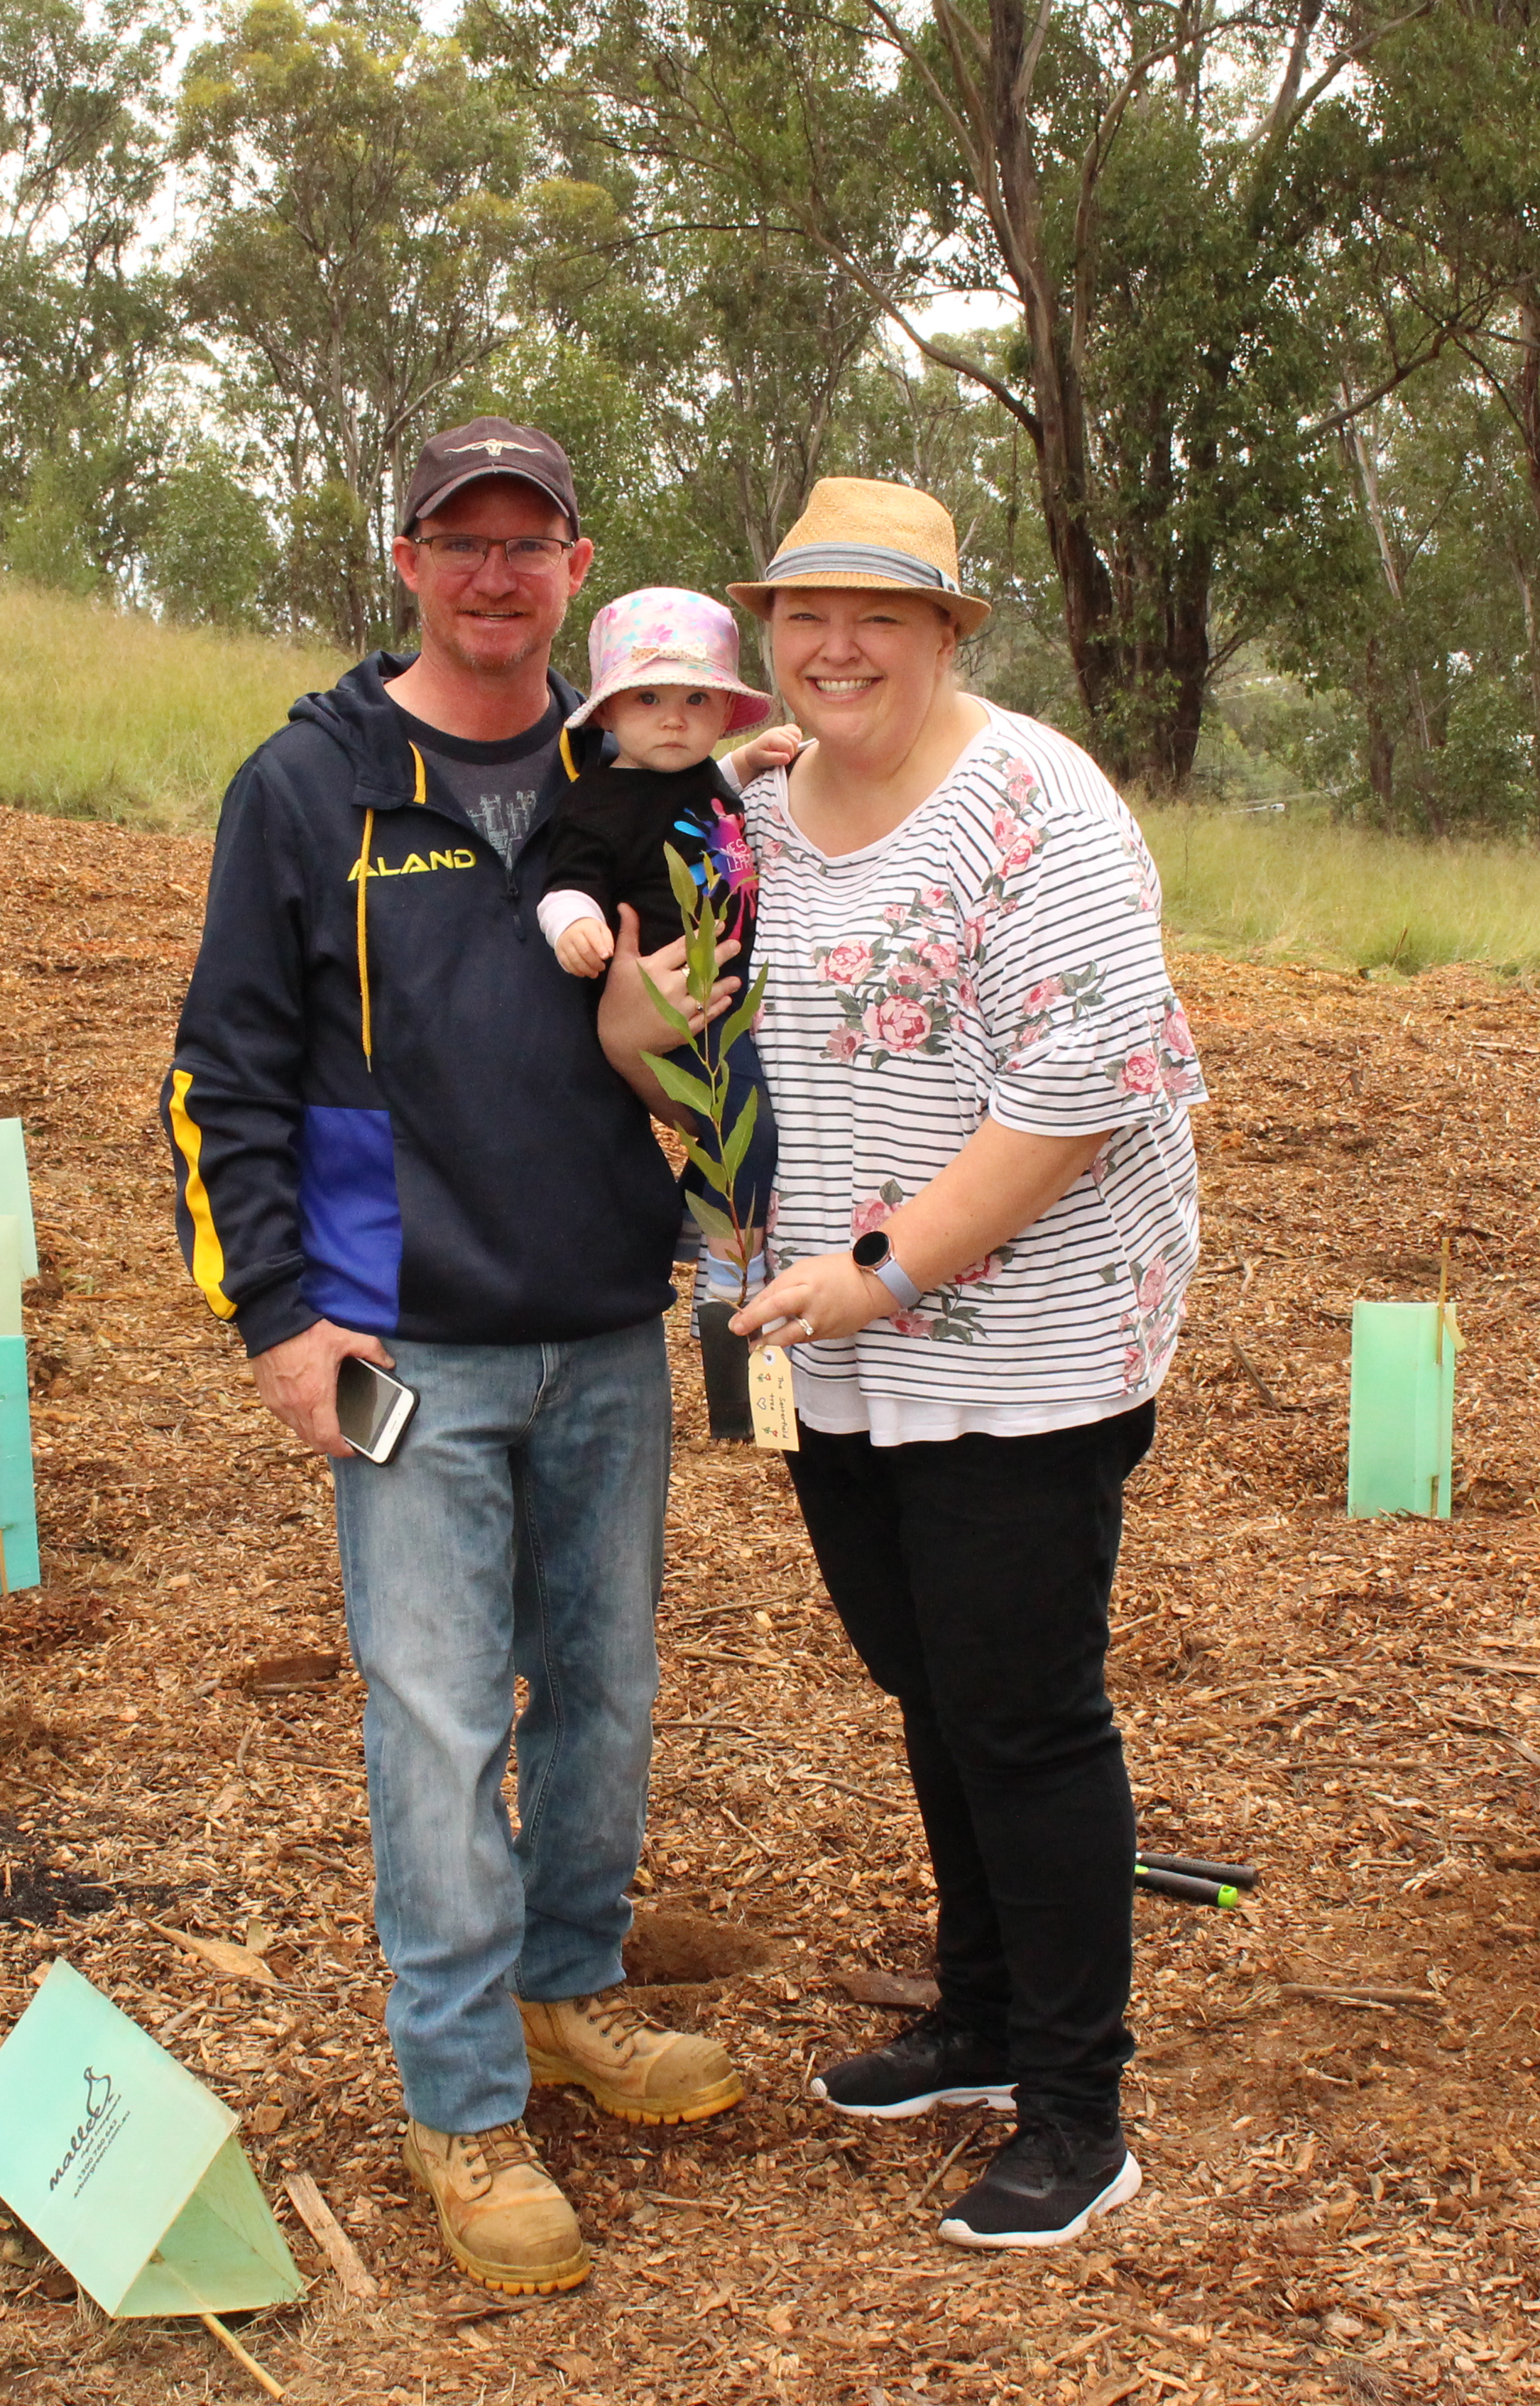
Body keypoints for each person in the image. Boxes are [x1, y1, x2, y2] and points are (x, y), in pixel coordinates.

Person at [161, 416, 743, 2300]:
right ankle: (463, 2099)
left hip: (603, 1323)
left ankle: (571, 1990)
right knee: (434, 1729)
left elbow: (729, 1019)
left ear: (579, 569)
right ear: (405, 560)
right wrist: (274, 1315)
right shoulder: (311, 785)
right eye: (460, 542)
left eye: (532, 544)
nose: (496, 576)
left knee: (602, 1693)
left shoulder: (642, 769)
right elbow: (223, 1075)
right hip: (405, 1339)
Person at [599, 475, 1204, 2251]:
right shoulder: (748, 813)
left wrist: (884, 1267)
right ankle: (981, 2012)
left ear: (947, 633)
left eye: (881, 614)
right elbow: (688, 1047)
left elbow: (1078, 1094)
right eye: (805, 614)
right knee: (923, 1678)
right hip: (821, 1335)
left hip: (1019, 1339)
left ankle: (1077, 2109)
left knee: (1019, 1705)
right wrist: (635, 1040)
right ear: (764, 639)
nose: (837, 644)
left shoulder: (1039, 809)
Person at [533, 586, 784, 1303]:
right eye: (649, 700)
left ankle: (689, 1215)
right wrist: (575, 925)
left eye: (697, 702)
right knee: (746, 1126)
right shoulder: (596, 801)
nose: (674, 718)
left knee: (745, 1117)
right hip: (678, 1002)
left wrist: (748, 765)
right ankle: (732, 1271)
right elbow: (567, 882)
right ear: (608, 709)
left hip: (727, 992)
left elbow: (700, 806)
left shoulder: (702, 776)